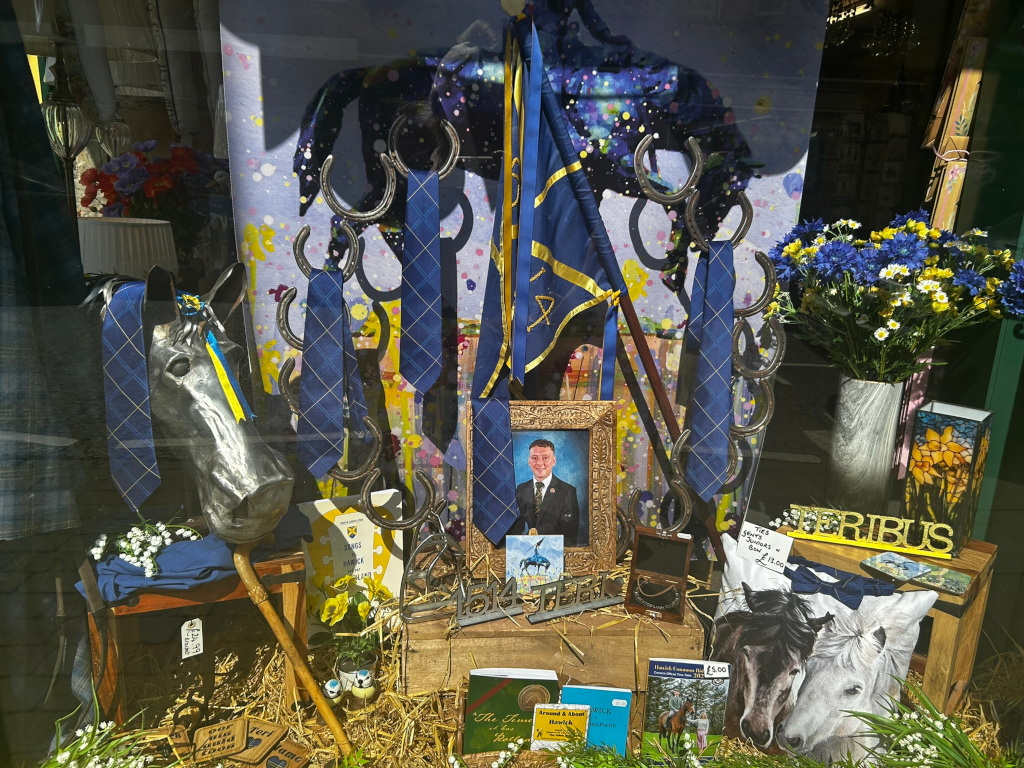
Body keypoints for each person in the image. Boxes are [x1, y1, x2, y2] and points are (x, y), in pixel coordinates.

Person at [515, 438, 581, 546]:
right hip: (527, 550)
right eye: (534, 458)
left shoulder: (567, 491)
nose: (540, 463)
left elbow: (570, 535)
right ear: (529, 461)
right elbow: (516, 529)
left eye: (545, 458)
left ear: (553, 461)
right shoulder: (521, 489)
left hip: (556, 551)